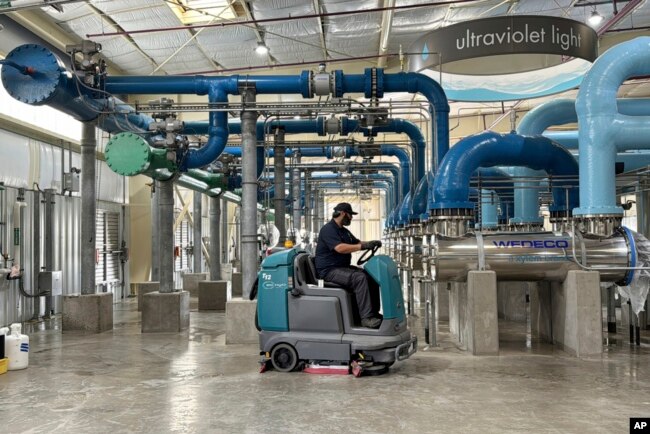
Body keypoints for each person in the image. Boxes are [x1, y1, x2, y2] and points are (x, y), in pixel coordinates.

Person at [314, 202, 383, 329]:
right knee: (359, 278)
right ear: (343, 213)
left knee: (370, 276)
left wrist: (371, 243)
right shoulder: (328, 229)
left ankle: (373, 313)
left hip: (341, 268)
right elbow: (339, 248)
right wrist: (362, 246)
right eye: (350, 215)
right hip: (329, 271)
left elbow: (357, 243)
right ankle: (366, 318)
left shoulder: (344, 232)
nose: (351, 218)